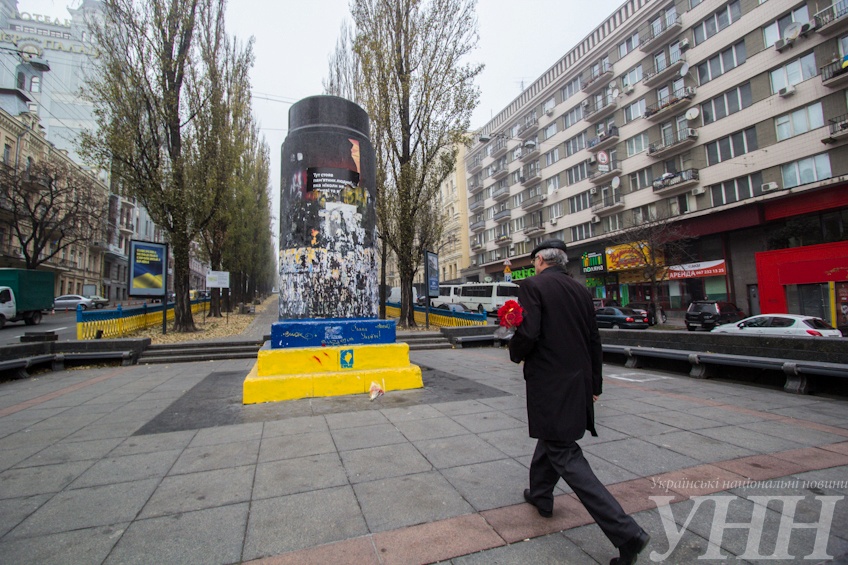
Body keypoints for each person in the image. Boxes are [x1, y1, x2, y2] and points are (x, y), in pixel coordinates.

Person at [508, 239, 649, 565]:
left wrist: (514, 352)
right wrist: (594, 384)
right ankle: (541, 494)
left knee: (563, 452)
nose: (535, 266)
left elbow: (529, 333)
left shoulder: (533, 286)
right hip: (577, 382)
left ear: (540, 261)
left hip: (550, 385)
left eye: (535, 261)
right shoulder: (581, 291)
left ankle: (627, 533)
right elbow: (593, 340)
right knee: (552, 438)